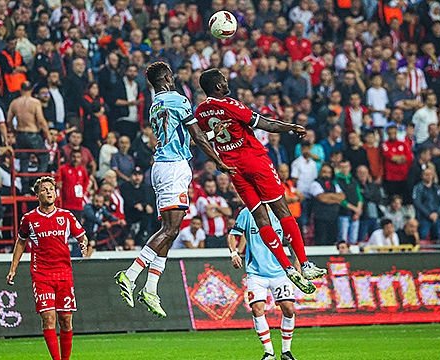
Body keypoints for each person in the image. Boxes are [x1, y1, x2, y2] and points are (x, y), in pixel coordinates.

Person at [114, 62, 232, 318]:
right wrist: (219, 161)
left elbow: (183, 136)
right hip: (174, 168)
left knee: (168, 231)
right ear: (167, 78)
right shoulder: (179, 99)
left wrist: (211, 134)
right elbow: (196, 138)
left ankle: (151, 289)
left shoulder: (155, 104)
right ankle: (131, 273)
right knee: (171, 230)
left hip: (162, 166)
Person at [194, 68, 326, 294]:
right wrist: (290, 127)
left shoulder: (200, 113)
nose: (227, 83)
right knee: (283, 211)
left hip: (234, 170)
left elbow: (201, 139)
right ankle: (304, 264)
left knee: (261, 217)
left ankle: (287, 267)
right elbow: (264, 123)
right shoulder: (230, 104)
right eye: (224, 80)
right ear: (218, 86)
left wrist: (217, 159)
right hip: (254, 161)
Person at [6, 176, 89, 360]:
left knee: (65, 320)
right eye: (44, 189)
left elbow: (82, 236)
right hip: (42, 274)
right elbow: (21, 242)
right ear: (37, 195)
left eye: (51, 189)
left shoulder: (66, 216)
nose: (49, 192)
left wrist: (83, 244)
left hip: (64, 274)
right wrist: (13, 268)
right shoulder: (29, 219)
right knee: (48, 318)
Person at [228, 207, 298, 360]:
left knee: (289, 309)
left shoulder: (280, 212)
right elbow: (233, 235)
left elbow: (291, 239)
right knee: (257, 309)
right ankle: (269, 352)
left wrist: (297, 261)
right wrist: (234, 253)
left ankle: (286, 352)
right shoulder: (247, 213)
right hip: (256, 273)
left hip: (280, 271)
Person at [6, 81, 50, 191]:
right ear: (31, 90)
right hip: (32, 133)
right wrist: (48, 134)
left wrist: (14, 130)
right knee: (44, 157)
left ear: (21, 90)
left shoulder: (15, 103)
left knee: (24, 160)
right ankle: (36, 181)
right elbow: (40, 120)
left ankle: (25, 186)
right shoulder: (35, 102)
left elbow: (8, 120)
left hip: (20, 134)